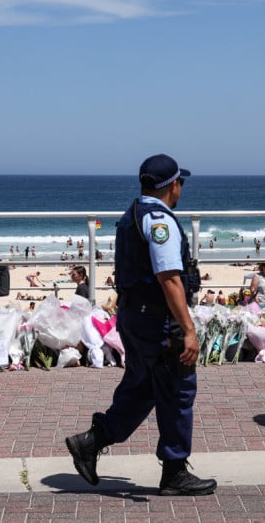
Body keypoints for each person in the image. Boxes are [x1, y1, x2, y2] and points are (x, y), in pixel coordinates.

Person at [65, 154, 215, 496]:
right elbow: (169, 278)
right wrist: (188, 329)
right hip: (157, 320)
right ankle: (175, 471)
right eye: (181, 182)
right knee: (178, 390)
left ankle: (91, 441)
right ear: (172, 185)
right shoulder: (159, 221)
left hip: (134, 316)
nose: (181, 188)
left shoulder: (131, 214)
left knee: (143, 388)